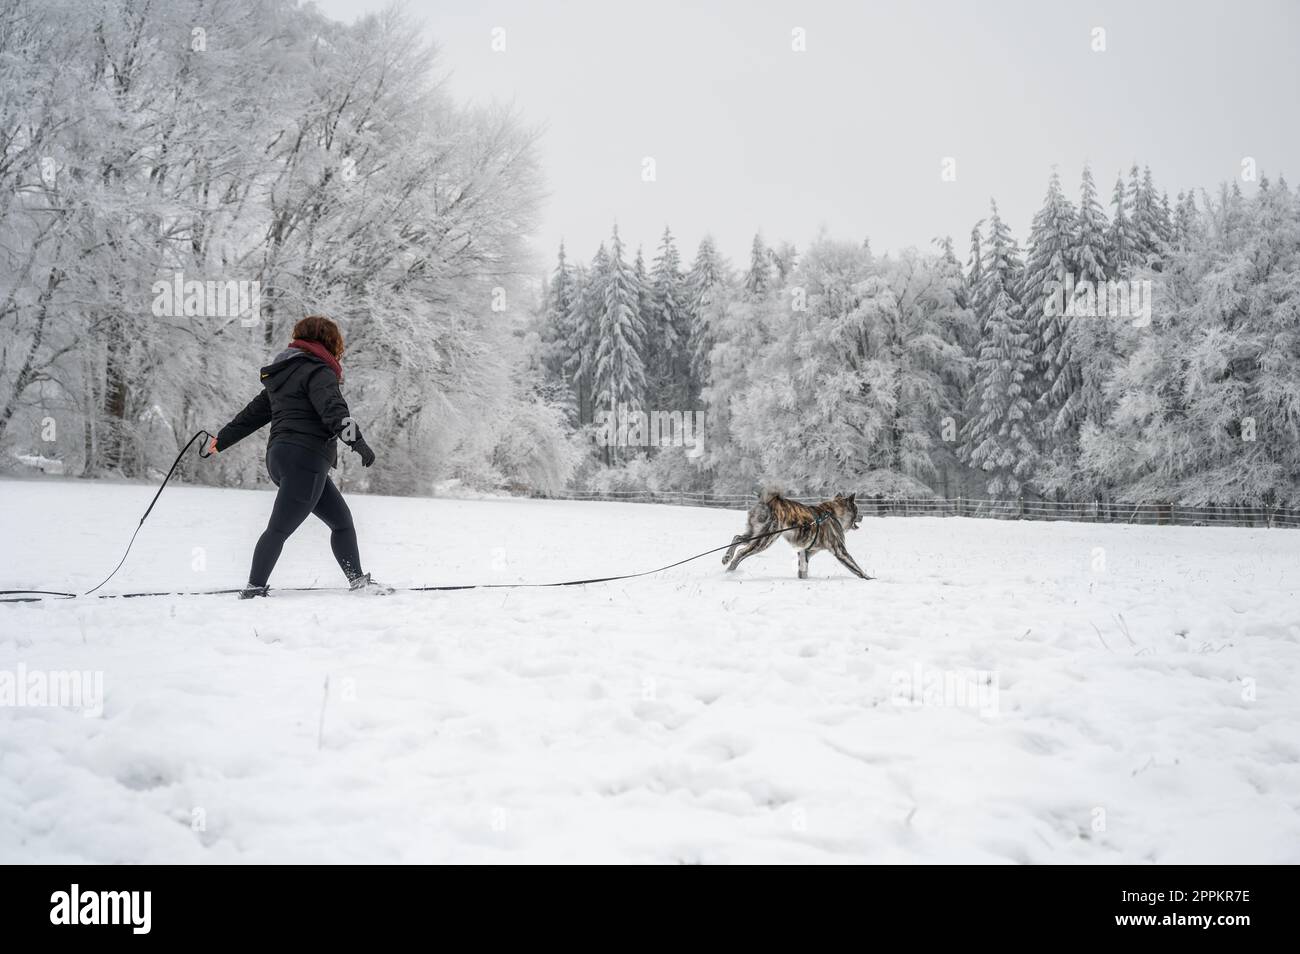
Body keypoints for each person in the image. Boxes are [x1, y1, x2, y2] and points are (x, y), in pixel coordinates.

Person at [208, 315, 392, 598]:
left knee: (341, 521)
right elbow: (334, 412)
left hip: (280, 458)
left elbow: (252, 416)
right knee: (279, 529)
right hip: (306, 458)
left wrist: (220, 441)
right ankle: (254, 589)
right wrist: (359, 444)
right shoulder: (319, 371)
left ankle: (358, 581)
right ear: (329, 342)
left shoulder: (282, 373)